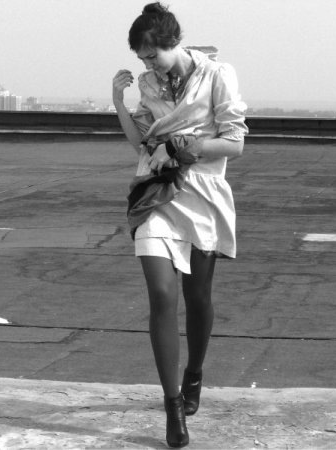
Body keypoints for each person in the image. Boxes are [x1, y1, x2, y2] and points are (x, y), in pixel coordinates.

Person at [112, 2, 248, 447]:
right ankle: (172, 406)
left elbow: (235, 143)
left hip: (203, 195)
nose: (148, 65)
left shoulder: (217, 75)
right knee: (162, 294)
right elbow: (141, 143)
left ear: (173, 42)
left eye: (152, 55)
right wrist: (118, 103)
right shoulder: (148, 84)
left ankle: (194, 373)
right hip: (156, 193)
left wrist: (184, 147)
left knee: (198, 297)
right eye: (142, 58)